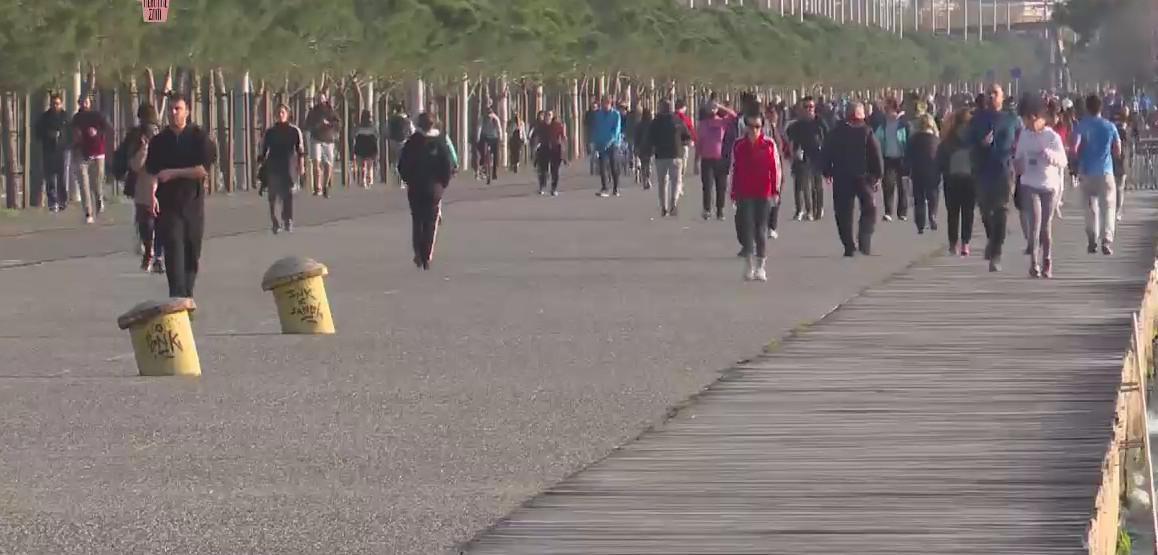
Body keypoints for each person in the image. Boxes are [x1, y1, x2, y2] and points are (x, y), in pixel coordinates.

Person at [144, 93, 218, 298]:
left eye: (178, 109)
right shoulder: (159, 141)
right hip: (168, 206)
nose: (173, 113)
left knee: (191, 254)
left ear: (187, 111)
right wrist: (152, 193)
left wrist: (173, 173)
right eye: (171, 109)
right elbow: (153, 172)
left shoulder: (199, 137)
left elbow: (202, 170)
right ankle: (177, 298)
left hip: (192, 204)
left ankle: (187, 295)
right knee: (174, 251)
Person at [968, 83, 1021, 272]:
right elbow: (968, 142)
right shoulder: (977, 119)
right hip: (982, 171)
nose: (991, 96)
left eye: (995, 93)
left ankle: (996, 252)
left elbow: (1021, 140)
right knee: (985, 211)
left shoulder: (1011, 119)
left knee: (1001, 211)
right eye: (989, 93)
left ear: (1002, 97)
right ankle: (992, 239)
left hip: (1004, 171)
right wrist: (980, 144)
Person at [1013, 97, 1068, 278]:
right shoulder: (1025, 135)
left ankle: (1047, 260)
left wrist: (1050, 155)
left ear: (1036, 117)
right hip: (1029, 184)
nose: (1025, 125)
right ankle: (1034, 263)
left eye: (1027, 120)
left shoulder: (1052, 137)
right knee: (1034, 224)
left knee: (1046, 226)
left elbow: (1063, 161)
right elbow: (1018, 156)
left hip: (1049, 186)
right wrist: (1017, 166)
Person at [823, 102, 884, 257]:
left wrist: (827, 171)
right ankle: (863, 240)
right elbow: (876, 153)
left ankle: (849, 245)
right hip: (863, 177)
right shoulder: (866, 132)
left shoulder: (836, 133)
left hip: (843, 176)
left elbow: (826, 152)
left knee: (843, 213)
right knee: (868, 208)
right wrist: (878, 174)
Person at [397, 112, 454, 270]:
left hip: (416, 187)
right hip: (434, 188)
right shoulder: (440, 142)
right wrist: (443, 183)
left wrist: (408, 179)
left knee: (417, 220)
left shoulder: (413, 142)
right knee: (430, 222)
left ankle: (418, 252)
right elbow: (447, 165)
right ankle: (427, 254)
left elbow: (402, 165)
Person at [731, 112, 781, 282]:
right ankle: (748, 266)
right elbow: (733, 169)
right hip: (744, 192)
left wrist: (776, 191)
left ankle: (760, 267)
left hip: (764, 192)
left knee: (761, 230)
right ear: (745, 127)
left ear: (762, 127)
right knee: (746, 230)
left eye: (757, 127)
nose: (754, 130)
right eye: (750, 126)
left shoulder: (769, 144)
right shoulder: (738, 145)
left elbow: (776, 168)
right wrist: (732, 192)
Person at [1073, 94, 1122, 255]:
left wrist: (1077, 160)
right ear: (1101, 108)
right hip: (1105, 171)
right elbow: (1118, 149)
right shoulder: (1110, 126)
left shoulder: (1081, 125)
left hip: (1087, 172)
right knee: (1108, 207)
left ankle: (1092, 238)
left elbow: (1074, 147)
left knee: (1090, 208)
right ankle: (1107, 240)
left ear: (1087, 108)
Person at [123, 103, 163, 273]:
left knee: (153, 221)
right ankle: (151, 252)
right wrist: (144, 149)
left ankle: (154, 254)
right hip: (145, 184)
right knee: (147, 221)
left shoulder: (160, 136)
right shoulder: (138, 137)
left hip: (156, 183)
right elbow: (134, 164)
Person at [259, 103, 306, 234]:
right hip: (273, 166)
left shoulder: (294, 131)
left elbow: (300, 151)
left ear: (287, 114)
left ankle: (287, 220)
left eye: (283, 112)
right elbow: (263, 150)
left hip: (288, 166)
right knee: (273, 196)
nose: (280, 115)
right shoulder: (270, 132)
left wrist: (301, 167)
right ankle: (275, 221)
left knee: (287, 195)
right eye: (278, 112)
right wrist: (261, 165)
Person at [936, 107, 977, 256]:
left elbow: (940, 158)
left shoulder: (948, 138)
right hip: (970, 179)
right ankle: (965, 243)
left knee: (952, 213)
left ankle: (953, 244)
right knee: (968, 212)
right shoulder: (973, 138)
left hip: (951, 178)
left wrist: (941, 172)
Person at [71, 95, 112, 224]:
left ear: (90, 102)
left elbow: (108, 129)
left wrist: (97, 133)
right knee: (84, 184)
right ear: (79, 103)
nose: (84, 104)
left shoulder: (97, 116)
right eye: (82, 102)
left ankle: (99, 198)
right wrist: (75, 137)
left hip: (97, 152)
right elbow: (71, 133)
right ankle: (88, 212)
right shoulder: (76, 118)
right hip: (81, 153)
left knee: (97, 183)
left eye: (86, 101)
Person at [786, 96, 827, 222]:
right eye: (806, 107)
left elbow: (828, 136)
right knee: (804, 185)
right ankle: (807, 211)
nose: (809, 109)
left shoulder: (820, 122)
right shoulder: (797, 125)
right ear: (801, 109)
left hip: (818, 156)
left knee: (817, 185)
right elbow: (791, 141)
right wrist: (793, 155)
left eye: (811, 107)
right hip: (803, 157)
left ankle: (818, 209)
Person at [649, 99, 693, 217]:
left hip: (661, 155)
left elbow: (650, 138)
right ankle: (673, 203)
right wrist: (683, 144)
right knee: (676, 181)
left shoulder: (655, 122)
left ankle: (664, 206)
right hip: (676, 154)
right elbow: (687, 136)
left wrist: (652, 149)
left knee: (662, 182)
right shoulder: (677, 120)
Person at [696, 102, 737, 220]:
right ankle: (707, 209)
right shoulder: (702, 124)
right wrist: (696, 160)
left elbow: (734, 116)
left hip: (720, 159)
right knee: (707, 186)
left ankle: (720, 211)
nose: (712, 110)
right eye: (710, 108)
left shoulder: (722, 122)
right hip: (706, 159)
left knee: (721, 186)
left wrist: (720, 106)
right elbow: (699, 143)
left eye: (714, 108)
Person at [873, 97, 910, 222]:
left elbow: (909, 140)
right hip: (888, 158)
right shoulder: (883, 124)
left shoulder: (903, 124)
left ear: (894, 109)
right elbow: (876, 139)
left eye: (888, 109)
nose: (886, 111)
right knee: (888, 185)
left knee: (902, 187)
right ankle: (888, 212)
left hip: (902, 158)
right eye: (885, 109)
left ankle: (902, 212)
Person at [34, 93, 70, 213]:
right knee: (50, 177)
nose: (55, 106)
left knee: (62, 177)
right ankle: (52, 201)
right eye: (53, 103)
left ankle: (62, 200)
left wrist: (63, 138)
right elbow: (38, 132)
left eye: (57, 103)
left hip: (62, 150)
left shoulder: (65, 117)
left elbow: (70, 132)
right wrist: (49, 134)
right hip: (48, 150)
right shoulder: (45, 117)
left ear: (61, 104)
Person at [907, 114, 940, 234]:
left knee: (919, 197)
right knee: (933, 194)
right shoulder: (936, 139)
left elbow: (908, 155)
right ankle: (932, 215)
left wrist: (906, 170)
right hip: (933, 170)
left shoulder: (914, 139)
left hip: (917, 170)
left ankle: (920, 223)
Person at [303, 93, 340, 197]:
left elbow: (338, 123)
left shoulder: (331, 111)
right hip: (316, 139)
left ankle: (325, 185)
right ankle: (317, 187)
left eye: (322, 99)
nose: (320, 101)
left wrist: (329, 124)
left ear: (325, 99)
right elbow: (307, 125)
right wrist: (315, 126)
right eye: (318, 99)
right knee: (316, 163)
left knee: (328, 164)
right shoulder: (313, 112)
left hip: (328, 140)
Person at [591, 95, 624, 197]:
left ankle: (616, 188)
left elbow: (616, 130)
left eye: (607, 103)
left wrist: (610, 141)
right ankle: (604, 187)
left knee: (614, 166)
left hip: (613, 144)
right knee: (602, 166)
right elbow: (596, 128)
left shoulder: (616, 115)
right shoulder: (598, 115)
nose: (605, 106)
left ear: (610, 104)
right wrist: (594, 142)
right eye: (603, 103)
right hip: (601, 143)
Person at [532, 110, 566, 196]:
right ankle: (542, 186)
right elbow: (536, 136)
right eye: (546, 115)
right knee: (543, 169)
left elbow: (563, 137)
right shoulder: (541, 126)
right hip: (544, 148)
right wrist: (535, 147)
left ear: (552, 116)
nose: (547, 117)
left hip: (555, 148)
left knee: (555, 170)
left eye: (549, 115)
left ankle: (553, 188)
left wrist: (563, 149)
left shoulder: (557, 125)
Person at [1111, 106, 1136, 221]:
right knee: (1116, 186)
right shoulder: (1116, 127)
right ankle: (1116, 209)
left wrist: (1131, 157)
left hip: (1123, 158)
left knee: (1120, 186)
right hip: (1116, 157)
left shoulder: (1129, 128)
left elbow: (1132, 144)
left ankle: (1118, 210)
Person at [385, 104, 414, 188]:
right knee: (402, 161)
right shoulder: (407, 120)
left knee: (394, 161)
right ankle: (401, 180)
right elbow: (412, 131)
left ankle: (395, 179)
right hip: (404, 141)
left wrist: (388, 137)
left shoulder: (391, 119)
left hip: (393, 141)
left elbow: (387, 131)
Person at [351, 110, 378, 189]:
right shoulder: (373, 126)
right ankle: (368, 179)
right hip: (370, 147)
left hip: (360, 147)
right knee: (369, 165)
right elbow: (377, 135)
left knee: (361, 165)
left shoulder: (358, 127)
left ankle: (363, 180)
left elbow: (353, 135)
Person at [477, 107, 502, 181]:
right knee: (483, 151)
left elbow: (499, 128)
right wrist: (478, 137)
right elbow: (479, 128)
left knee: (496, 154)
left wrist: (500, 137)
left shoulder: (495, 119)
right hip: (485, 137)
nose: (489, 117)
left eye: (490, 115)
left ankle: (494, 172)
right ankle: (483, 166)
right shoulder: (482, 118)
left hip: (494, 138)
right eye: (488, 115)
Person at [634, 107, 655, 191]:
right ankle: (648, 179)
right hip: (650, 147)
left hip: (641, 148)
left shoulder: (639, 125)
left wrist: (636, 147)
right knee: (649, 164)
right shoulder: (652, 124)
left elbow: (636, 138)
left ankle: (645, 180)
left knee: (643, 165)